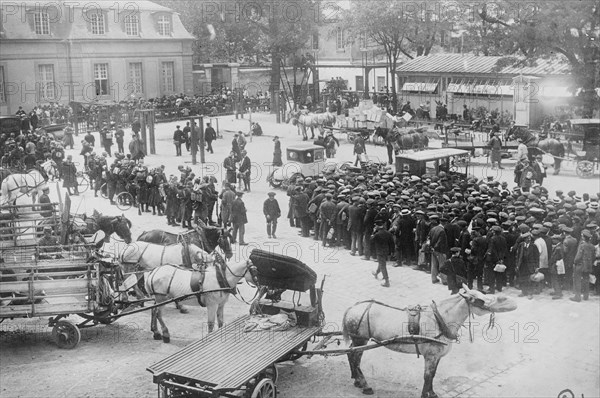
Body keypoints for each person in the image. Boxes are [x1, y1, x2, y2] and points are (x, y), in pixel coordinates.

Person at [570, 229, 595, 302]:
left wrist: (575, 262)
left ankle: (577, 297)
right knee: (586, 280)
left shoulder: (582, 245)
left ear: (583, 237)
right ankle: (586, 296)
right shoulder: (592, 246)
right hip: (588, 266)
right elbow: (593, 257)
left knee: (577, 280)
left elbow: (578, 256)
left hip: (580, 265)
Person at [370, 220, 394, 287]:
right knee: (381, 263)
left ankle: (386, 281)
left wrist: (373, 232)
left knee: (382, 265)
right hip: (386, 251)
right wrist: (392, 251)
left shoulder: (377, 234)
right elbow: (392, 243)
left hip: (379, 251)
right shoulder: (388, 233)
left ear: (377, 226)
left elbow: (371, 241)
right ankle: (376, 273)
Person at [515, 232, 538, 299]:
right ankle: (523, 292)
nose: (529, 239)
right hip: (522, 265)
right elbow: (518, 255)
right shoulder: (521, 245)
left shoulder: (533, 246)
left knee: (530, 280)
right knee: (522, 279)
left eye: (530, 237)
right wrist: (517, 264)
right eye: (528, 238)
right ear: (524, 239)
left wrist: (537, 266)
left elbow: (537, 257)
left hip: (530, 265)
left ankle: (530, 293)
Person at [428, 214, 448, 285]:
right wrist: (436, 248)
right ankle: (444, 280)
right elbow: (440, 242)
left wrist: (431, 247)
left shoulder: (433, 229)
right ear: (445, 223)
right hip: (440, 250)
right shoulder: (442, 231)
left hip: (433, 249)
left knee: (434, 264)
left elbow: (429, 239)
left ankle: (434, 279)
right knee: (442, 265)